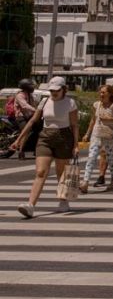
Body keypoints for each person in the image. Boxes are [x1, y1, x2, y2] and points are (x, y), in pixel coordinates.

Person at [11, 77, 79, 218]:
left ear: (63, 89)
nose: (54, 93)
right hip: (45, 138)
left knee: (61, 173)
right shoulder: (45, 101)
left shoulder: (70, 103)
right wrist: (18, 139)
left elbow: (74, 126)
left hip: (64, 137)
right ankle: (30, 205)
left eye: (57, 90)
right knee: (41, 172)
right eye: (52, 90)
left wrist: (76, 145)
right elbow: (32, 122)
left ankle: (63, 201)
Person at [81, 85, 113, 193]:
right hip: (96, 134)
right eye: (100, 92)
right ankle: (85, 182)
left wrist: (111, 119)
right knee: (91, 157)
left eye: (104, 92)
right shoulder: (97, 105)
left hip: (109, 135)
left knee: (110, 159)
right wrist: (87, 134)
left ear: (109, 94)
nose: (101, 94)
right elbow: (93, 119)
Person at [10, 79, 38, 161]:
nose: (32, 87)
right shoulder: (20, 95)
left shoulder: (30, 95)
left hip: (29, 116)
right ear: (26, 86)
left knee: (39, 129)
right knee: (26, 131)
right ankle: (21, 151)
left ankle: (36, 149)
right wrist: (35, 110)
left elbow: (35, 104)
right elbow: (25, 105)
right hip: (21, 117)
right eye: (31, 85)